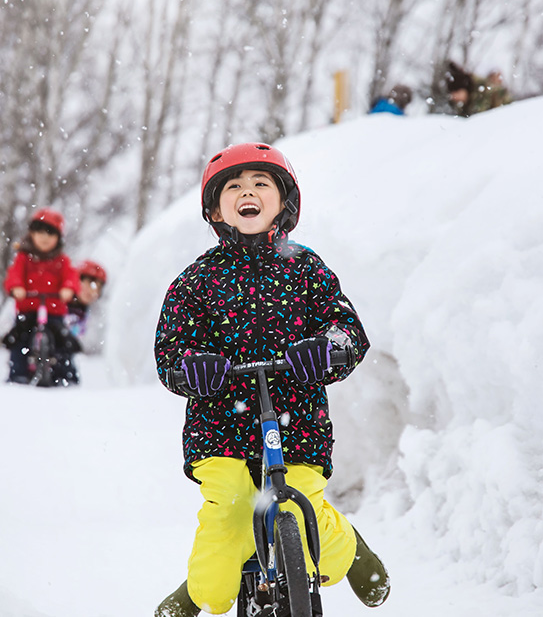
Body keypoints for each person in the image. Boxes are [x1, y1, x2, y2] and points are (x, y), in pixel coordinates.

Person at [153, 142, 390, 616]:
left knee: (299, 508)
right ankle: (200, 590)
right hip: (220, 424)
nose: (248, 192)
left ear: (284, 201)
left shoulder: (306, 269)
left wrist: (328, 348)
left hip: (297, 416)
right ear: (215, 208)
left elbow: (347, 328)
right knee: (232, 512)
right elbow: (170, 349)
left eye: (261, 183)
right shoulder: (197, 281)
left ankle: (347, 545)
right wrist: (193, 364)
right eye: (234, 186)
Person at [1, 207, 80, 385]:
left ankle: (66, 376)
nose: (44, 237)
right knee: (19, 340)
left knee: (63, 342)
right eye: (40, 232)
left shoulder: (62, 261)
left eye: (50, 233)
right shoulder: (23, 258)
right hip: (27, 310)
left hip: (54, 312)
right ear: (31, 234)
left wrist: (68, 288)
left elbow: (71, 277)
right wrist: (16, 287)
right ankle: (17, 374)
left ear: (58, 238)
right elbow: (13, 275)